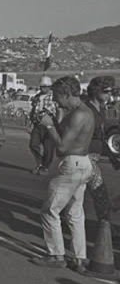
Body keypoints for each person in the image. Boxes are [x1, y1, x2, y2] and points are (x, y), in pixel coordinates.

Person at [31, 76, 94, 270]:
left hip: (71, 164)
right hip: (82, 163)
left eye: (57, 96)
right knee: (75, 212)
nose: (55, 100)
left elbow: (62, 147)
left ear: (67, 94)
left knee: (50, 210)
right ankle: (79, 257)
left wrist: (49, 125)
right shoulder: (81, 112)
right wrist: (56, 120)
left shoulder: (78, 115)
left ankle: (56, 255)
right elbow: (68, 137)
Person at [83, 77, 115, 239]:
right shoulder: (87, 109)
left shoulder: (101, 108)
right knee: (99, 190)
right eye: (107, 91)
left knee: (78, 193)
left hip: (95, 155)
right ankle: (106, 226)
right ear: (96, 91)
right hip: (85, 155)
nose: (110, 95)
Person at [28, 75, 57, 175]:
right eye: (41, 86)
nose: (43, 88)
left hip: (50, 125)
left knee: (48, 148)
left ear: (49, 87)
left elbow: (57, 110)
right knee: (33, 144)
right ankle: (39, 163)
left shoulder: (54, 97)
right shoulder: (36, 97)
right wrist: (30, 122)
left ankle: (45, 167)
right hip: (38, 124)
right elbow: (33, 110)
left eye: (45, 86)